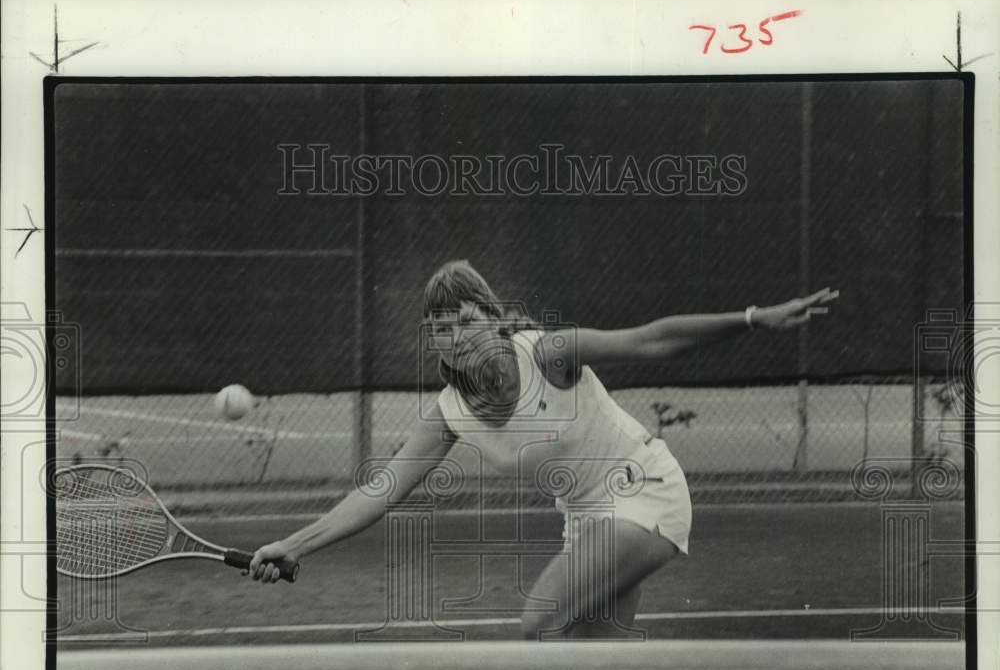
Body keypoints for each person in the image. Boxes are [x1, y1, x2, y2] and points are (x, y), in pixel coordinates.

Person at [247, 261, 838, 640]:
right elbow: (378, 492)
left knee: (538, 620)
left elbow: (652, 339)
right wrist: (293, 545)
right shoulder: (448, 414)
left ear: (496, 319)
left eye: (469, 319)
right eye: (444, 330)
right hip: (585, 523)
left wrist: (756, 317)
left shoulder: (549, 355)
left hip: (645, 489)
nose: (460, 335)